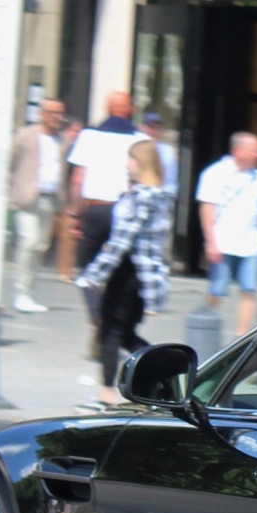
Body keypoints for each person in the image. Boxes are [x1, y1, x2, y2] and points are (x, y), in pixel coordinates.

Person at [77, 139, 174, 408]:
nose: (127, 165)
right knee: (126, 333)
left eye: (131, 159)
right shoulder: (159, 195)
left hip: (127, 271)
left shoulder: (143, 197)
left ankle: (106, 394)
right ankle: (163, 376)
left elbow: (122, 241)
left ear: (141, 163)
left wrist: (94, 274)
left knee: (111, 332)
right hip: (142, 275)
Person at [66, 91, 145, 339]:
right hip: (124, 210)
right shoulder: (140, 139)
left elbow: (78, 179)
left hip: (95, 209)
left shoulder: (89, 136)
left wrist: (75, 213)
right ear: (130, 109)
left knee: (87, 266)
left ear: (107, 108)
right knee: (118, 269)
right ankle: (111, 322)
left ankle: (98, 315)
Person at [196, 130, 257, 330]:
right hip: (223, 242)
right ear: (238, 151)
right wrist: (210, 241)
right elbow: (207, 208)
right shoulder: (215, 173)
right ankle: (204, 326)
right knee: (217, 289)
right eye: (255, 150)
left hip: (251, 243)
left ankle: (241, 337)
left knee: (249, 290)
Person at [8, 96, 71, 314]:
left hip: (50, 198)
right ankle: (20, 293)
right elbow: (12, 161)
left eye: (60, 113)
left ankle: (29, 292)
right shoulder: (26, 136)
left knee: (40, 245)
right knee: (28, 241)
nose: (57, 117)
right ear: (42, 114)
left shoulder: (62, 141)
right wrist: (14, 189)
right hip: (27, 197)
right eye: (53, 112)